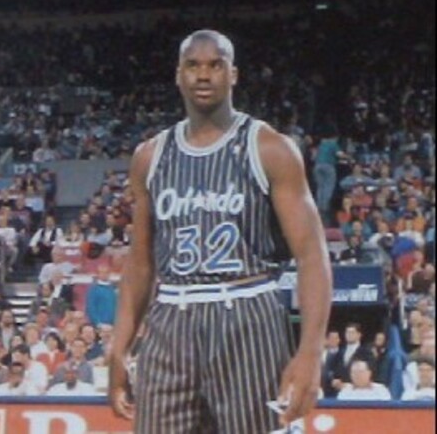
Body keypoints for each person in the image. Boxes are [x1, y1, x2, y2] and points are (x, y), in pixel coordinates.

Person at [108, 29, 332, 433]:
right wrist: (119, 346)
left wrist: (310, 353)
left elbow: (312, 255)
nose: (203, 75)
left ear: (233, 75)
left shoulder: (270, 148)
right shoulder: (150, 156)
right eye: (193, 65)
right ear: (178, 75)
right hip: (171, 316)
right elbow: (140, 264)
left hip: (248, 312)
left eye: (215, 65)